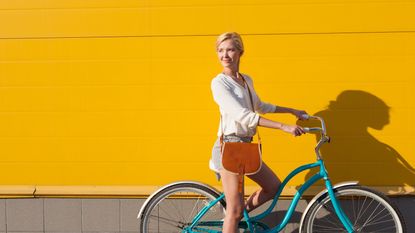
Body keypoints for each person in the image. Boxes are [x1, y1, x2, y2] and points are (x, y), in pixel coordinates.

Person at [210, 32, 308, 233]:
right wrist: (283, 127)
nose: (225, 55)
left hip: (245, 146)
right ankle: (233, 217)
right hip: (229, 147)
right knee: (234, 212)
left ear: (240, 52)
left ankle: (235, 219)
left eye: (230, 49)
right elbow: (243, 115)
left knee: (273, 186)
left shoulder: (246, 80)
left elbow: (260, 106)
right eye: (220, 50)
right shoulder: (219, 83)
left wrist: (291, 110)